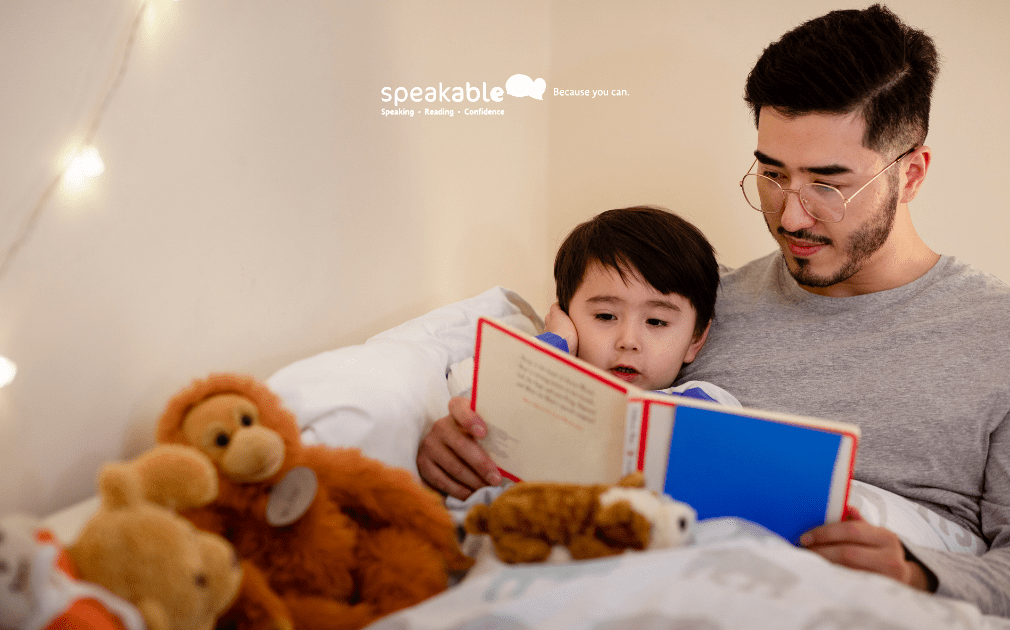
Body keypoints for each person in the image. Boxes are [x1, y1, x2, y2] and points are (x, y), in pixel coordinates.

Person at [673, 4, 1010, 616]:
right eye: (773, 175)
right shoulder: (693, 309)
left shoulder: (998, 336)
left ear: (911, 175)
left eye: (828, 183)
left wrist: (915, 575)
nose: (792, 216)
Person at [416, 205, 738, 501]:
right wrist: (557, 342)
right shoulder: (533, 389)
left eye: (656, 321)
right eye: (605, 316)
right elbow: (482, 410)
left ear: (696, 340)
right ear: (567, 316)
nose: (628, 341)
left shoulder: (705, 399)